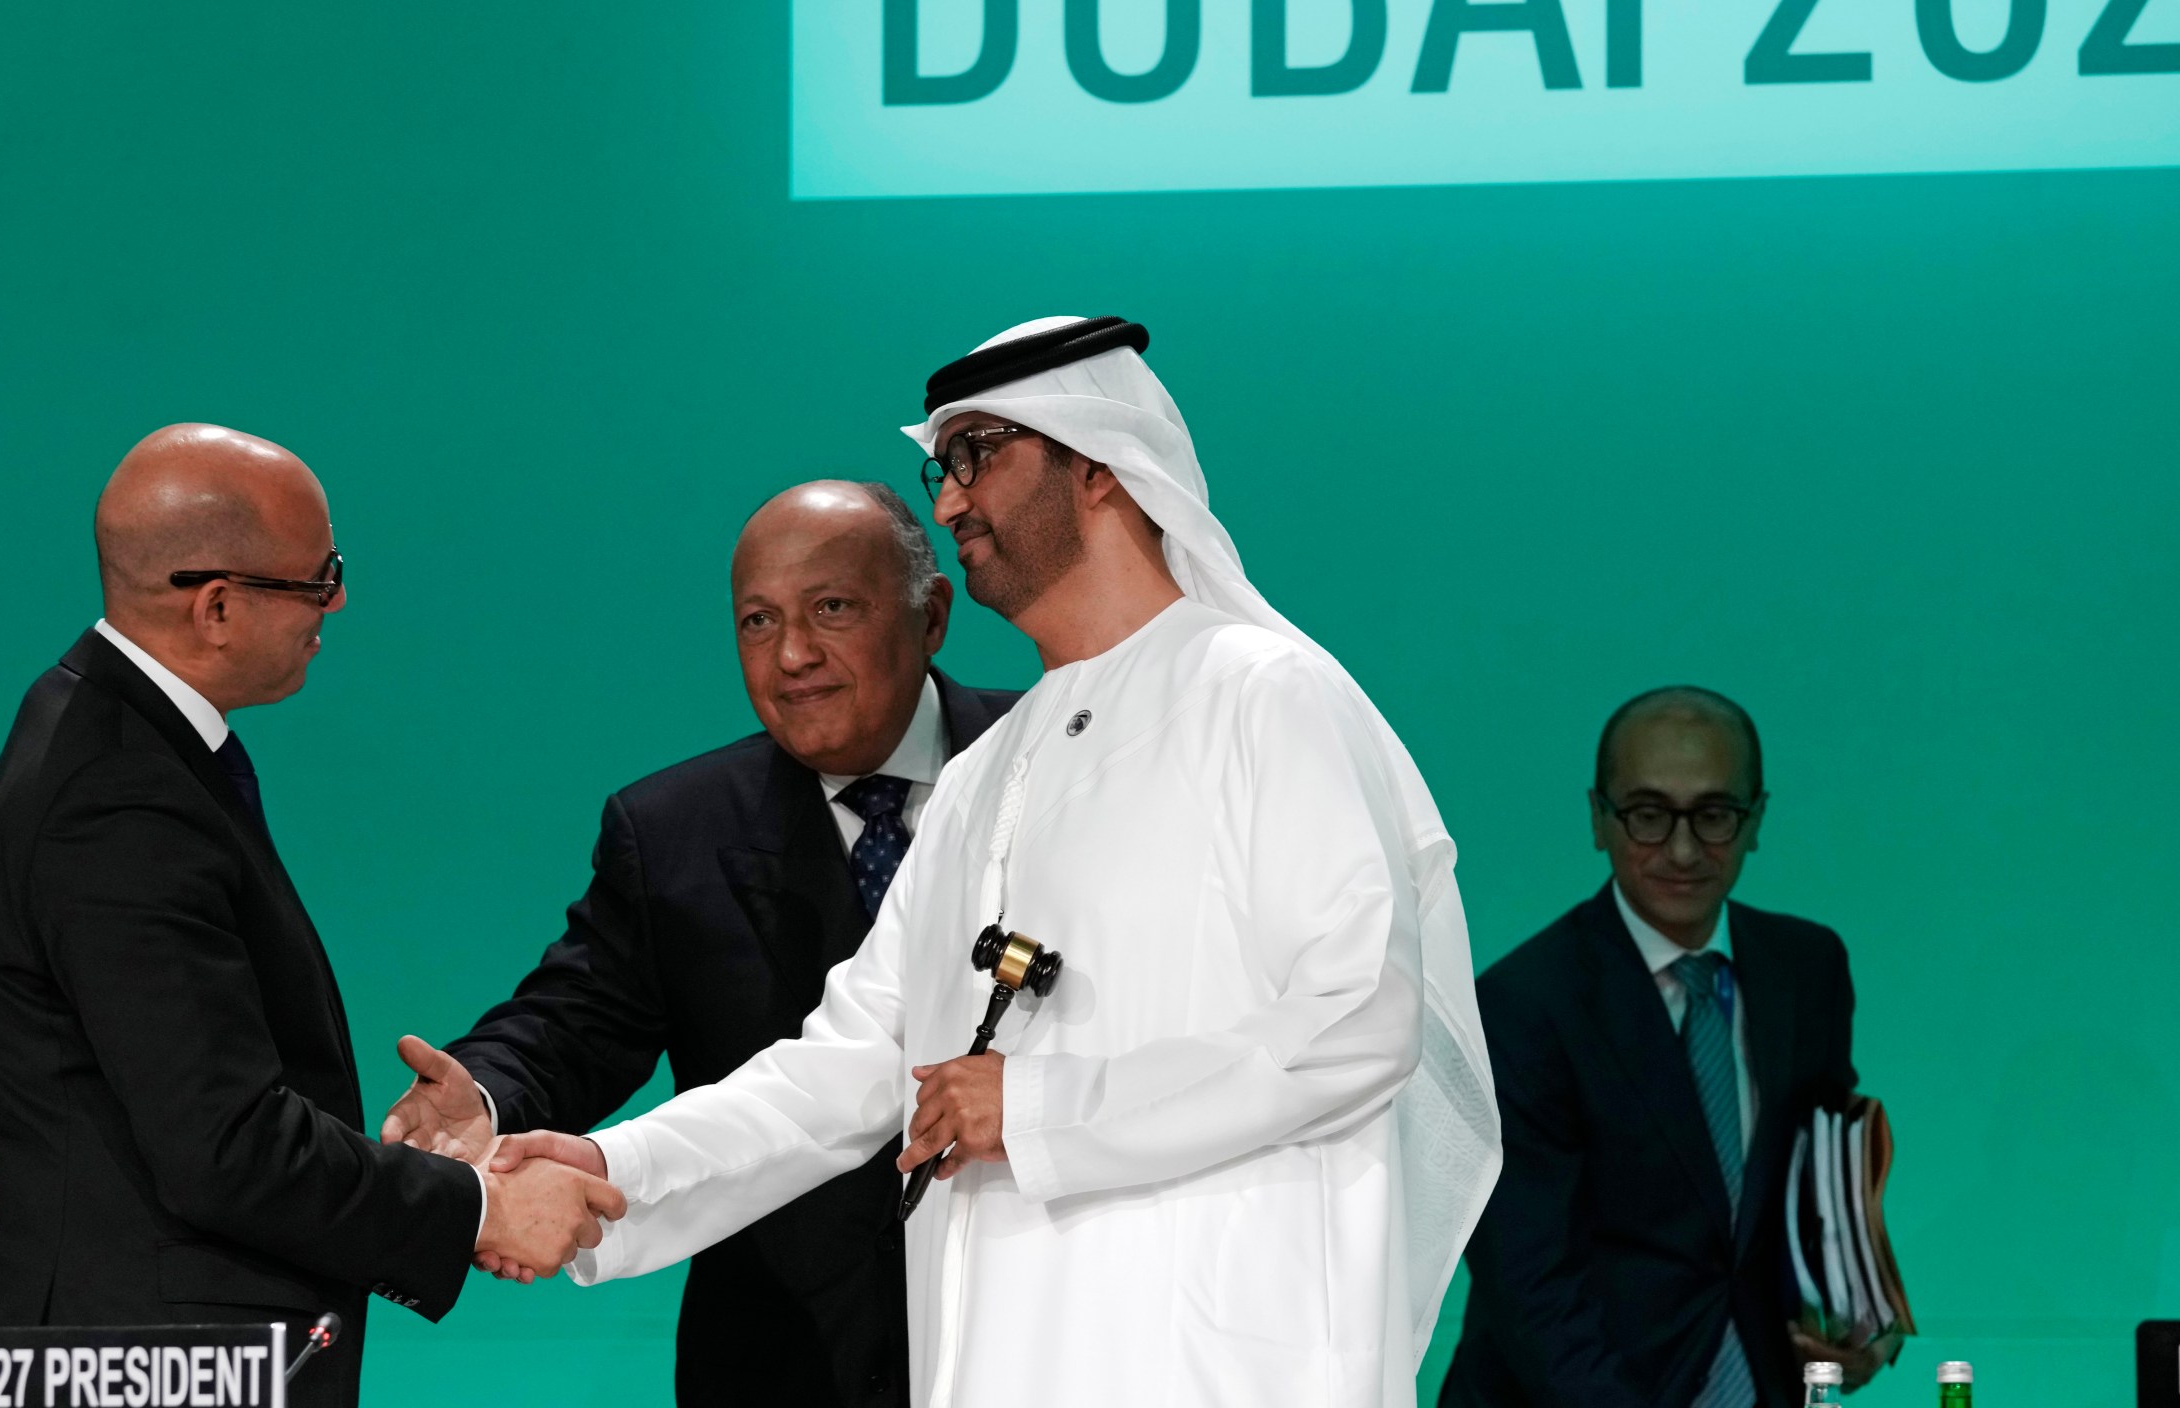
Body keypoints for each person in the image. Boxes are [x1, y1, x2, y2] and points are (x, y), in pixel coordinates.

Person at [481, 317, 1502, 1408]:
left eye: (980, 456)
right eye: (943, 468)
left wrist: (1043, 1109)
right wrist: (619, 1171)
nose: (950, 501)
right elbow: (851, 1064)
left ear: (1099, 466)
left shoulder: (1261, 695)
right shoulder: (985, 774)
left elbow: (1357, 1019)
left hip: (1216, 1363)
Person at [0, 424, 621, 1408]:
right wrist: (477, 1207)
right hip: (144, 1369)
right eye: (319, 580)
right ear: (217, 606)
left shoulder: (116, 738)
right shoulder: (118, 794)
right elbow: (221, 1145)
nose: (337, 603)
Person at [376, 480, 1018, 1407]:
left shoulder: (1049, 765)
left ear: (933, 614)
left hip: (1032, 1320)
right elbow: (574, 1018)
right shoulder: (673, 830)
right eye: (758, 622)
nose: (793, 655)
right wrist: (484, 1094)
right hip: (788, 1357)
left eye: (831, 608)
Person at [1439, 687, 1887, 1408]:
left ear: (1756, 819)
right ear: (1599, 818)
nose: (1683, 850)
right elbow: (1531, 1285)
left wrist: (1856, 1315)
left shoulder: (1808, 969)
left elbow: (1819, 1184)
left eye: (1714, 815)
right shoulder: (1525, 1006)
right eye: (1648, 815)